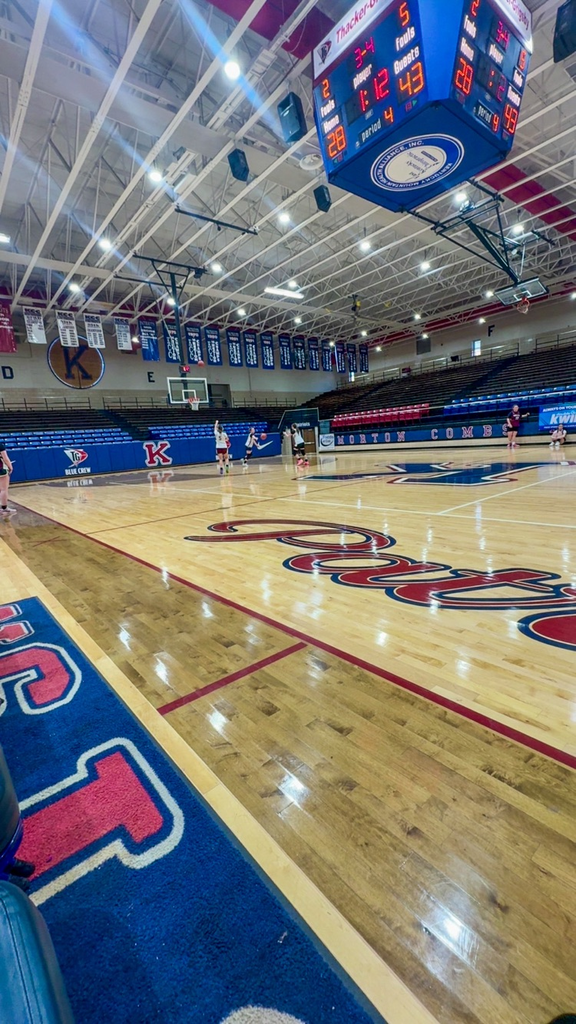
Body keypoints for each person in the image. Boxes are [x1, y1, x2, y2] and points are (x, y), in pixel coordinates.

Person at [0, 440, 15, 515]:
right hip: (1, 469)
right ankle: (4, 508)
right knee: (3, 489)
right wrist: (10, 466)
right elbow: (5, 458)